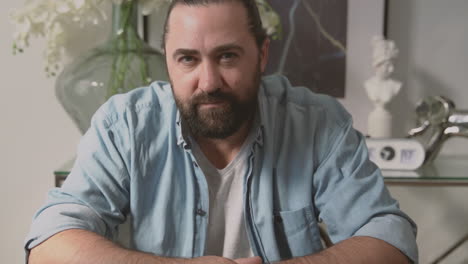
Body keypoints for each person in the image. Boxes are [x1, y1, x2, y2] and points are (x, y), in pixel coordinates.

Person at [25, 0, 418, 264]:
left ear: (262, 55)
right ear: (168, 60)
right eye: (188, 59)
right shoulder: (125, 125)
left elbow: (391, 238)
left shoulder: (317, 122)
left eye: (227, 56)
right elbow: (48, 244)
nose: (208, 81)